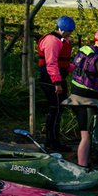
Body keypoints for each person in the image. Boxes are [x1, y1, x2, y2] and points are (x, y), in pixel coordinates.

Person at [65, 28, 98, 168]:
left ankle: (83, 163)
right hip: (88, 102)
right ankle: (82, 166)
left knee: (85, 135)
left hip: (74, 98)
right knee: (86, 137)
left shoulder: (85, 51)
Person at [37, 16, 76, 151]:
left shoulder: (60, 40)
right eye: (68, 31)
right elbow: (51, 64)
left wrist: (75, 67)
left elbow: (62, 63)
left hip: (55, 79)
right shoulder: (52, 41)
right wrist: (57, 83)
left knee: (57, 110)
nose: (69, 34)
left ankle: (51, 140)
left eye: (70, 31)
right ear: (60, 29)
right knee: (56, 110)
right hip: (51, 80)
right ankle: (53, 142)